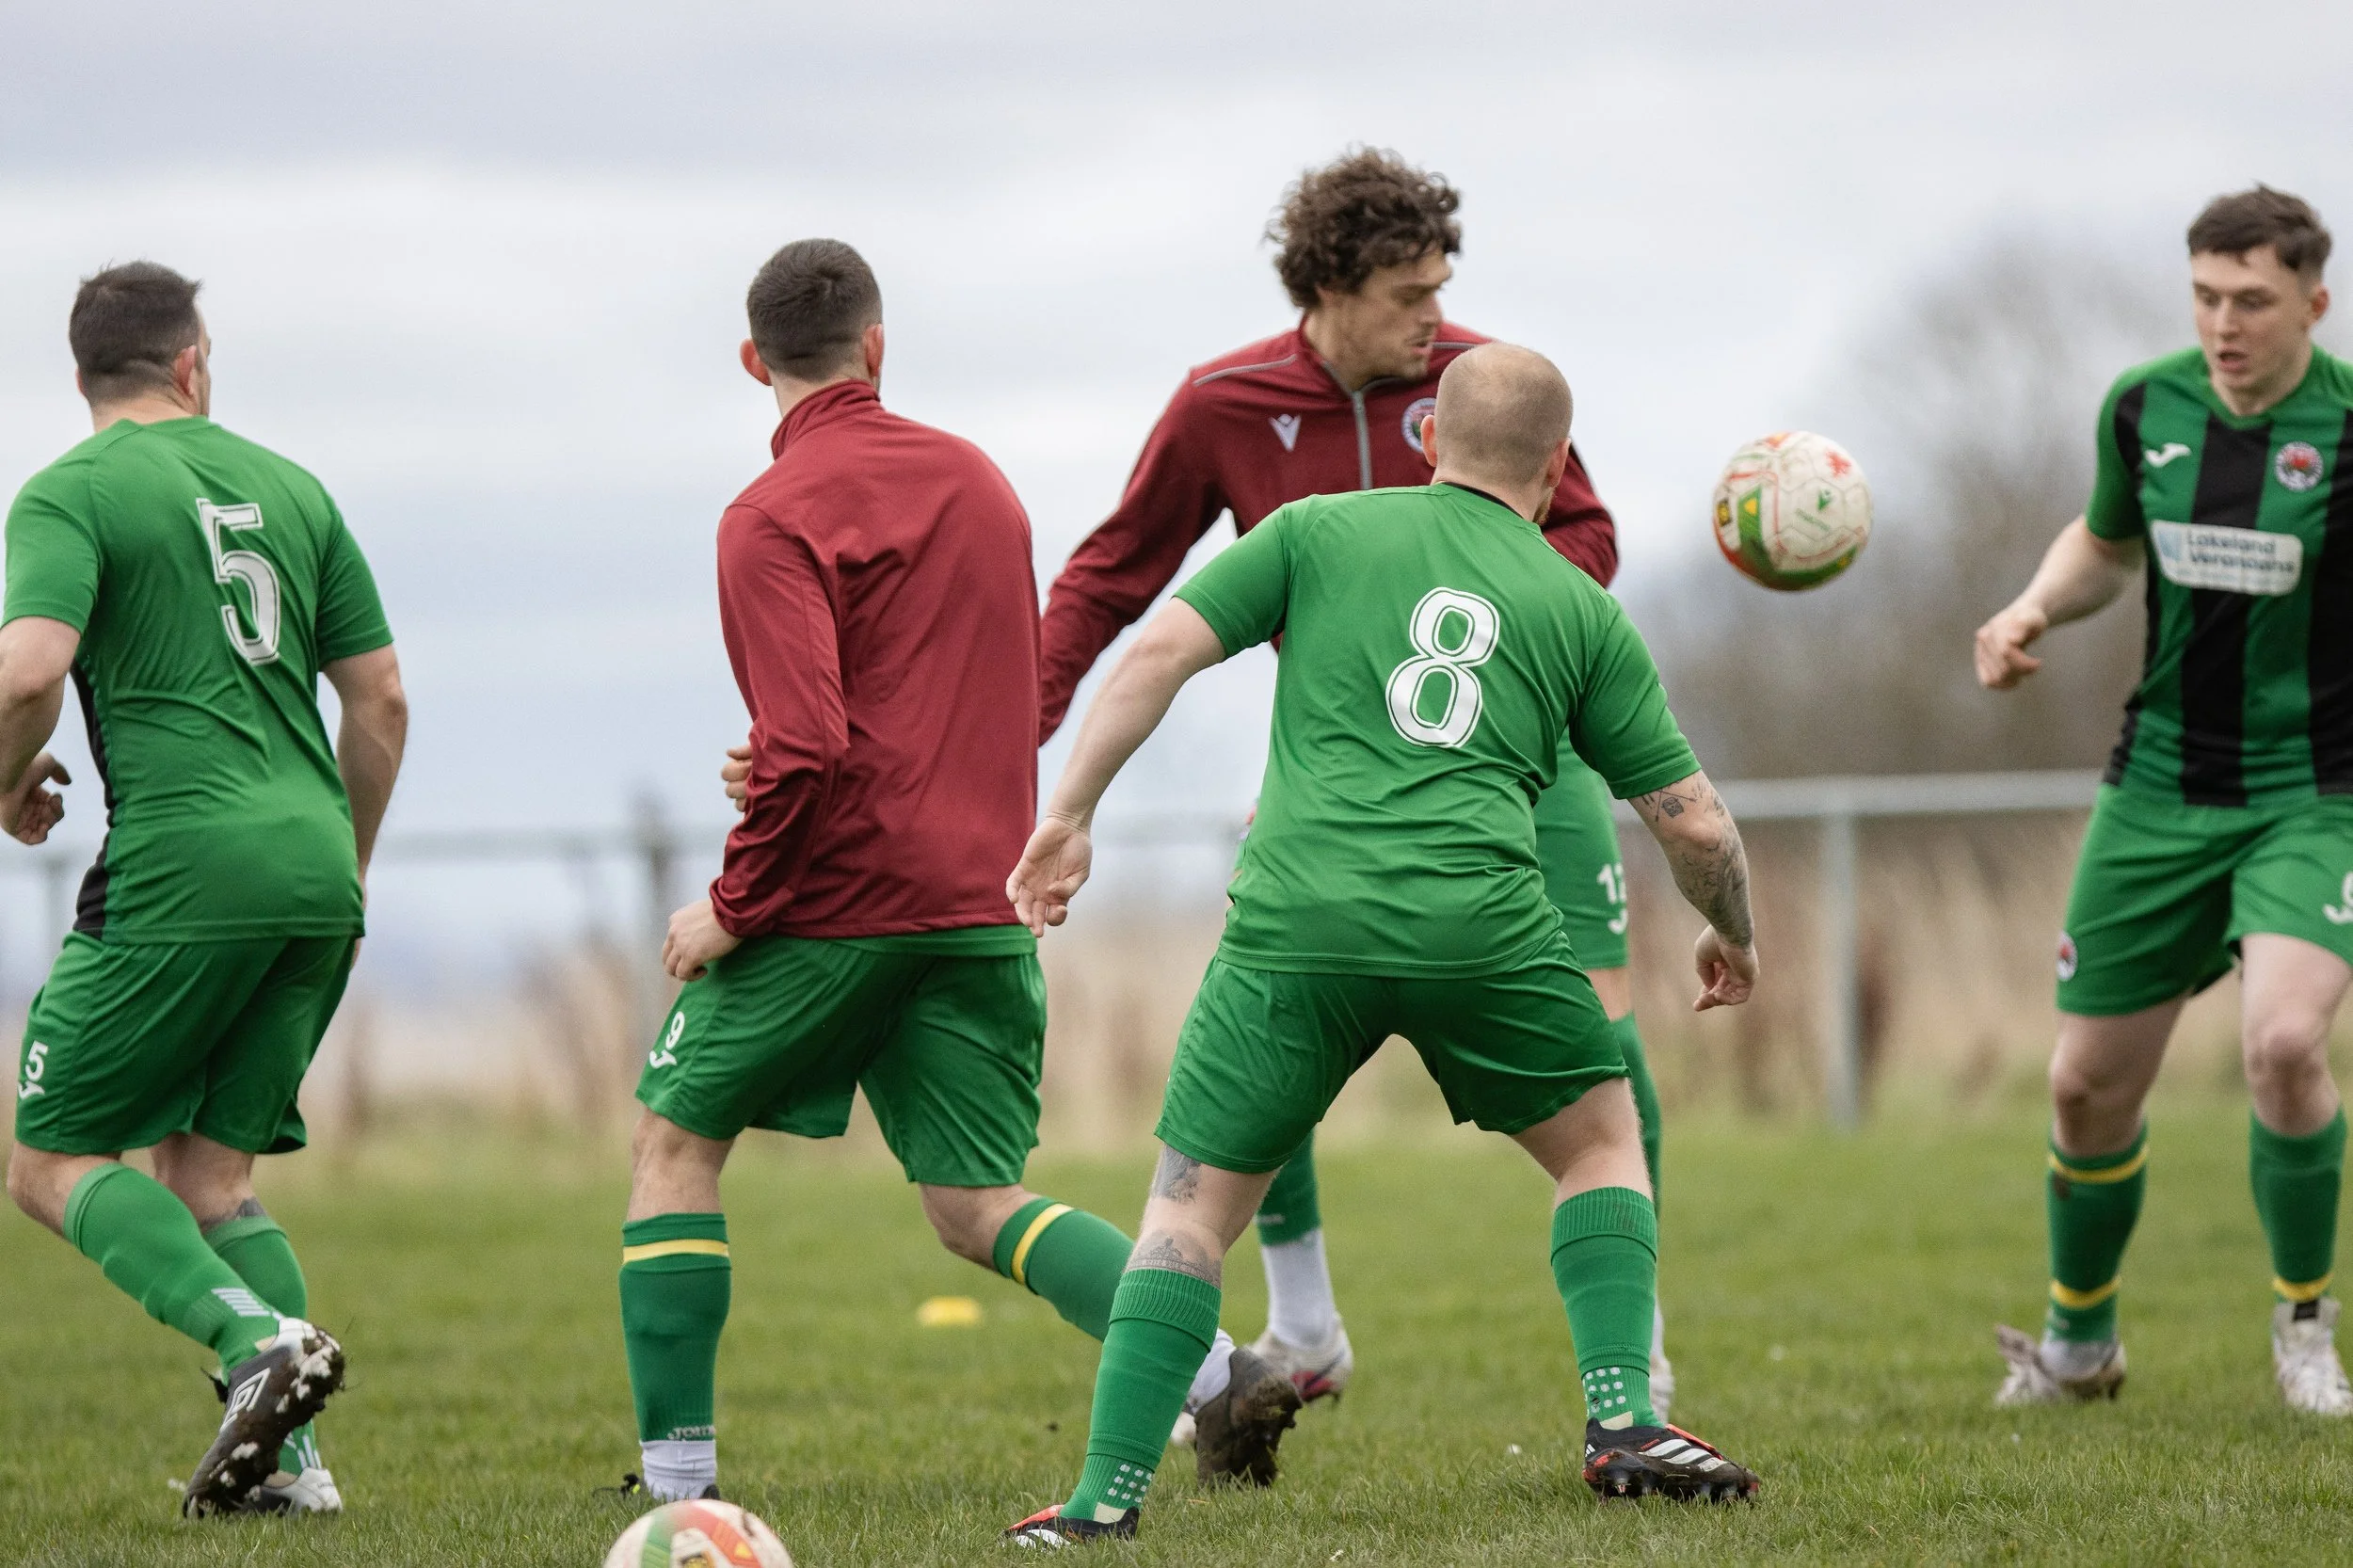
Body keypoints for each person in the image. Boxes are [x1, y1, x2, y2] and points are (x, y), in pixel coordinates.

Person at [1001, 344, 1762, 1544]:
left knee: (1189, 1216)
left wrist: (1070, 814)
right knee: (1603, 1142)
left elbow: (1154, 649)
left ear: (1425, 442)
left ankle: (1099, 1503)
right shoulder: (1577, 604)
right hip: (1483, 928)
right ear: (1558, 469)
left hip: (1296, 924)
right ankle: (1622, 1421)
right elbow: (1695, 824)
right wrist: (1734, 934)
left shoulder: (1312, 532)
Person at [619, 240, 1300, 1506]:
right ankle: (1217, 1371)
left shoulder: (767, 515)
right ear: (878, 346)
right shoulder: (983, 485)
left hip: (833, 905)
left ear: (753, 361)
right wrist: (790, 760)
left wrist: (729, 905)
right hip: (978, 898)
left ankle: (678, 1494)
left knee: (674, 1142)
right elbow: (957, 700)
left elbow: (817, 738)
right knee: (973, 1200)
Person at [1030, 147, 1684, 1423]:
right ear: (1329, 289)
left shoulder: (1488, 389)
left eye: (1443, 288)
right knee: (1279, 1017)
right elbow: (1113, 577)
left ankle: (1637, 1350)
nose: (1435, 319)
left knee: (1602, 1031)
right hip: (1337, 771)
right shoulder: (1221, 405)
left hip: (1519, 756)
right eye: (1407, 295)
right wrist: (1024, 747)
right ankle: (1307, 1321)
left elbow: (1588, 535)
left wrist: (1512, 638)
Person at [1, 263, 407, 1515]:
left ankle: (254, 1346)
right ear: (193, 364)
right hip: (318, 870)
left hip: (183, 868)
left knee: (45, 1155)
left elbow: (27, 675)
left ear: (82, 379)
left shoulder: (70, 490)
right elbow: (381, 700)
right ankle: (292, 1473)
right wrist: (343, 871)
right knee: (211, 1179)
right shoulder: (293, 487)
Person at [1977, 185, 2353, 1415]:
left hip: (2314, 790)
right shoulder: (2146, 406)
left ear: (2314, 300)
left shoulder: (2348, 432)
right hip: (2159, 788)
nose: (2222, 324)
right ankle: (2079, 1343)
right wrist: (2034, 604)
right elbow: (2106, 541)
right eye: (2204, 297)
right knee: (2085, 1085)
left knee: (2285, 1041)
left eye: (2250, 301)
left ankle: (2305, 1325)